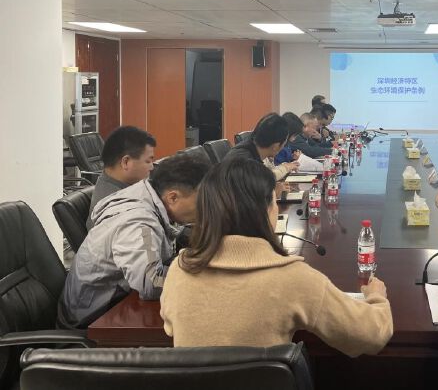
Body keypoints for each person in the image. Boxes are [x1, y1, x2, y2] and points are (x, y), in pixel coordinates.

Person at [160, 157, 394, 356]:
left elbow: (171, 326)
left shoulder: (181, 269)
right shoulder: (293, 278)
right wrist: (376, 297)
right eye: (274, 200)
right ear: (265, 210)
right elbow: (371, 335)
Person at [58, 153, 210, 329]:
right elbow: (151, 283)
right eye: (202, 202)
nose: (206, 208)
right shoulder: (138, 223)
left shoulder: (148, 195)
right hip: (93, 323)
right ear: (173, 197)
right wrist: (205, 277)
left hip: (116, 305)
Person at [87, 125, 156, 228]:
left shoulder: (119, 187)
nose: (152, 167)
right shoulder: (117, 208)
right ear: (126, 162)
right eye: (148, 161)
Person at [227, 113, 298, 180]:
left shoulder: (253, 147)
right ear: (275, 146)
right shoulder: (246, 161)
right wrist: (285, 168)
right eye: (284, 144)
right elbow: (264, 179)